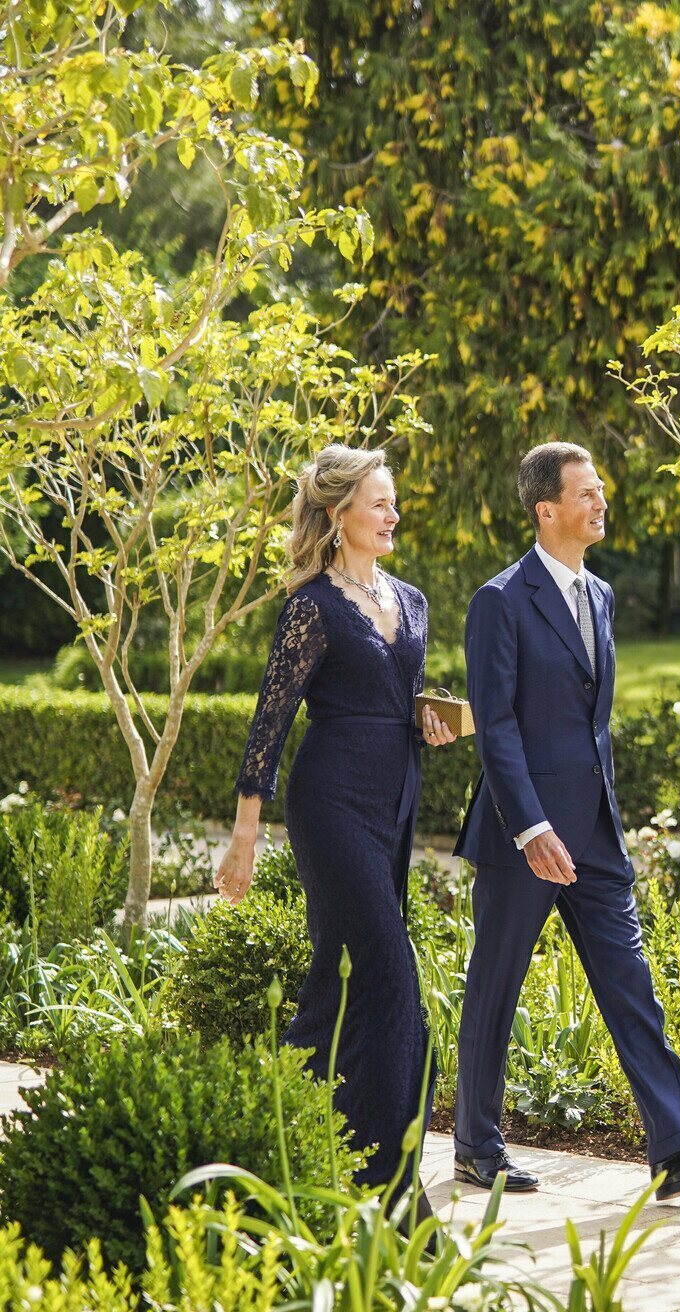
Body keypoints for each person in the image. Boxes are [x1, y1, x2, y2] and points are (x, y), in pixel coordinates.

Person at [452, 441, 680, 1200]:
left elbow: (592, 725)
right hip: (521, 837)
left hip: (593, 831)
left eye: (601, 491)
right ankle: (476, 1147)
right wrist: (529, 828)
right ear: (546, 509)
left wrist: (594, 820)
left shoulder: (602, 596)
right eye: (585, 494)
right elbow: (496, 727)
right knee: (496, 987)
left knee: (631, 985)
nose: (600, 503)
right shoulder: (500, 600)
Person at [215, 443, 455, 1207]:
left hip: (394, 805)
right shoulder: (312, 606)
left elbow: (399, 700)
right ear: (337, 513)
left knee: (334, 986)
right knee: (390, 979)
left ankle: (271, 1135)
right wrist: (245, 834)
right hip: (330, 806)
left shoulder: (411, 600)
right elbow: (269, 724)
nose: (393, 513)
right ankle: (390, 1184)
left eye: (392, 500)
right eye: (378, 502)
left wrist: (432, 723)